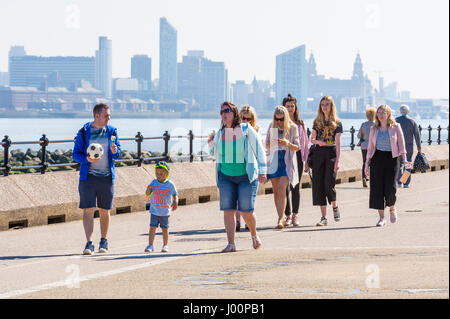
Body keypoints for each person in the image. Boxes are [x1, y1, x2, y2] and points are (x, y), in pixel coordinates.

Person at [208, 102, 267, 252]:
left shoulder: (246, 130)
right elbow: (214, 154)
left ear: (234, 113)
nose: (224, 114)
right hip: (226, 176)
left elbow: (260, 150)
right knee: (228, 210)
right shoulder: (220, 133)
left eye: (227, 111)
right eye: (221, 112)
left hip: (245, 176)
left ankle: (254, 235)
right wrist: (210, 145)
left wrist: (262, 170)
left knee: (246, 210)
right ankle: (231, 243)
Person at [73, 103, 121, 255]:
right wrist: (87, 159)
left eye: (109, 115)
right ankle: (89, 243)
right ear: (97, 116)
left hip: (106, 177)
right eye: (106, 115)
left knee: (104, 211)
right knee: (88, 210)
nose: (109, 118)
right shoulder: (83, 132)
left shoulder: (112, 131)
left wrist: (115, 151)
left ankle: (104, 241)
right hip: (88, 178)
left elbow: (117, 153)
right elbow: (75, 154)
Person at [364, 105, 410, 227]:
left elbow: (402, 145)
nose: (380, 115)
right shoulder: (374, 128)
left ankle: (392, 208)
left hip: (392, 159)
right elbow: (370, 148)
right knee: (377, 189)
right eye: (378, 113)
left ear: (388, 114)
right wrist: (366, 163)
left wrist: (405, 161)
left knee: (390, 188)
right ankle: (381, 218)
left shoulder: (396, 127)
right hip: (377, 158)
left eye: (383, 112)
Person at [309, 96, 342, 226]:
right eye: (322, 104)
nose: (324, 107)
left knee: (329, 183)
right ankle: (324, 218)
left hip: (331, 154)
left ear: (331, 106)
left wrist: (338, 161)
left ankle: (334, 205)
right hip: (318, 154)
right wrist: (318, 142)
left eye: (327, 104)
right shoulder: (317, 122)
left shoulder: (337, 123)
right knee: (318, 185)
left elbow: (338, 144)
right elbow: (311, 139)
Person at [265, 105, 300, 229]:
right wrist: (271, 143)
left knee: (282, 188)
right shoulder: (272, 126)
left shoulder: (293, 128)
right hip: (274, 159)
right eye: (277, 119)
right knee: (276, 191)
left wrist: (287, 143)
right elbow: (266, 144)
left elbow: (297, 147)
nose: (279, 122)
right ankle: (280, 216)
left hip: (286, 159)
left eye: (281, 119)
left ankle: (281, 219)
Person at [282, 94, 309, 227]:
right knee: (284, 187)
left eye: (292, 106)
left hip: (297, 156)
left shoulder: (300, 123)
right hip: (284, 155)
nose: (290, 108)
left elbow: (304, 143)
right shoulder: (280, 122)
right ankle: (287, 215)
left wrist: (306, 160)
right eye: (288, 106)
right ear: (283, 107)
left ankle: (295, 215)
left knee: (295, 186)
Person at [235, 105, 260, 232]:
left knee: (249, 197)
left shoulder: (255, 131)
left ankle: (248, 220)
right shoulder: (235, 130)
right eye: (243, 118)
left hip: (251, 167)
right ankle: (237, 221)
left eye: (248, 119)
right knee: (238, 197)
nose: (245, 121)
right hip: (238, 166)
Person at [145, 161, 178, 253]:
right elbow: (147, 194)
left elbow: (175, 194)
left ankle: (165, 245)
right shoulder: (154, 182)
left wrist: (175, 201)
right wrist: (148, 189)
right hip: (154, 211)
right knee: (152, 228)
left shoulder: (170, 184)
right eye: (157, 173)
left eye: (161, 174)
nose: (158, 175)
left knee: (165, 229)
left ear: (167, 174)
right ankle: (150, 245)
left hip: (165, 212)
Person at [395, 104, 422, 188]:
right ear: (408, 112)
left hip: (398, 146)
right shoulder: (412, 121)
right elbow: (417, 135)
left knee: (399, 165)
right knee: (408, 165)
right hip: (409, 147)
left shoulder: (396, 120)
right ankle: (406, 183)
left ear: (400, 111)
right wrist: (419, 146)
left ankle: (399, 182)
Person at [357, 107, 376, 187]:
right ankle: (372, 179)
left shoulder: (363, 124)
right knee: (373, 163)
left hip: (364, 146)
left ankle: (364, 177)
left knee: (365, 162)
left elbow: (358, 135)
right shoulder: (376, 125)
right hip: (373, 146)